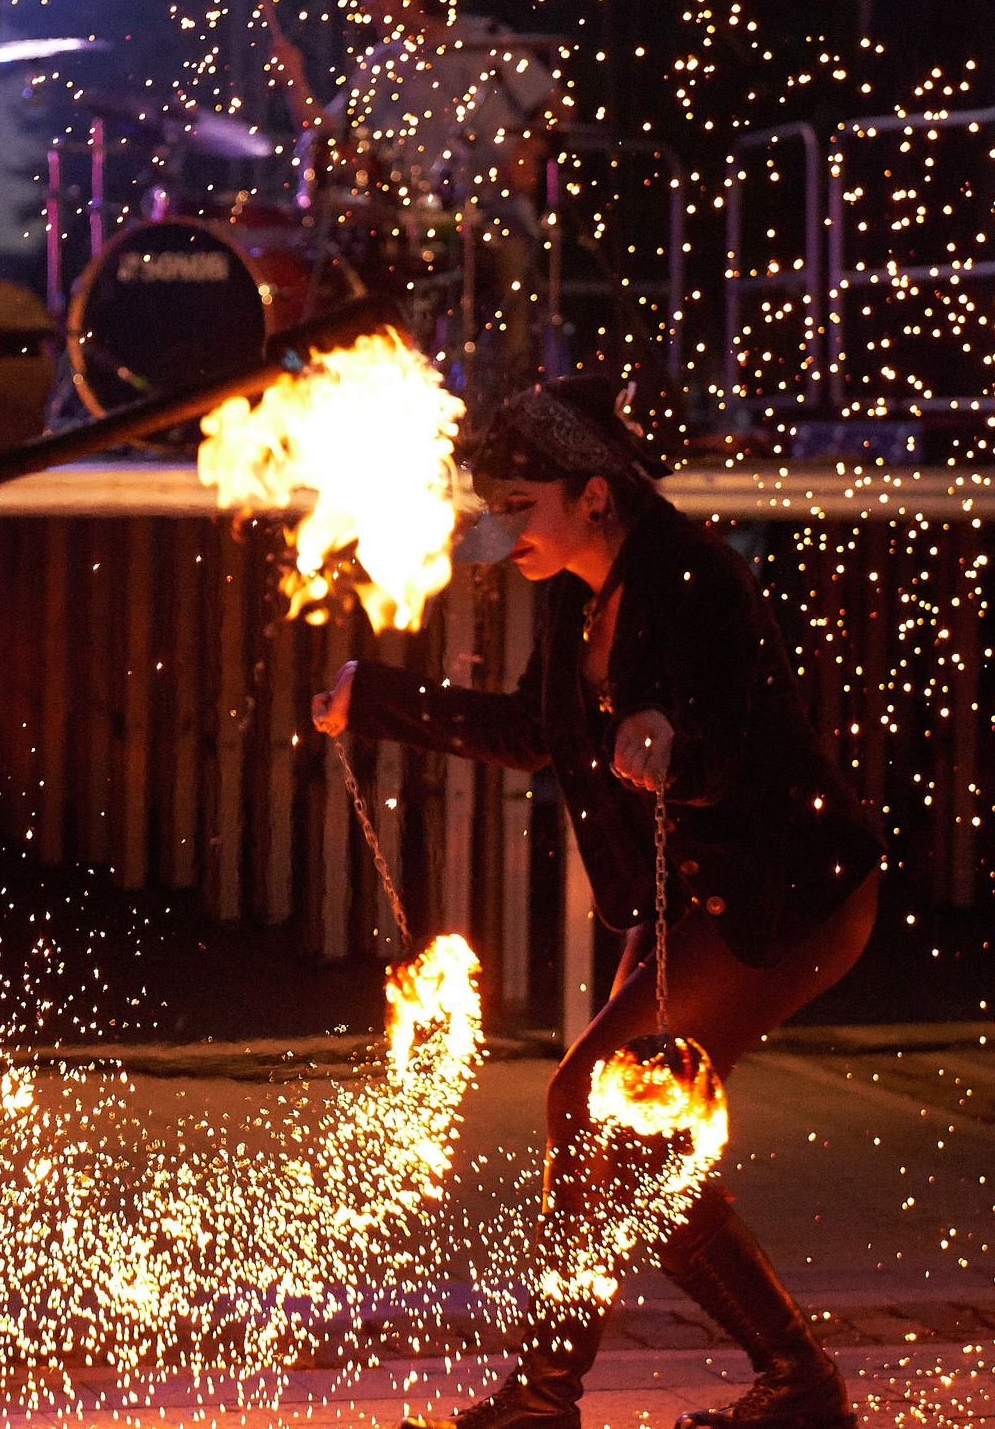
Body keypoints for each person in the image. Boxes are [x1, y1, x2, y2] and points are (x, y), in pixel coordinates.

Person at [313, 373, 882, 1429]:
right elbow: (535, 734)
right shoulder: (574, 594)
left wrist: (674, 748)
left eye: (516, 507)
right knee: (635, 1146)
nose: (498, 531)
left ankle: (545, 1399)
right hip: (688, 902)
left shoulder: (697, 581)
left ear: (592, 494)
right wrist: (376, 696)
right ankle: (796, 1386)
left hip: (784, 892)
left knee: (584, 1105)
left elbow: (734, 741)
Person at [264, 0, 566, 404]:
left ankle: (510, 404)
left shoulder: (488, 43)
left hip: (492, 213)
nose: (368, 6)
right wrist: (295, 80)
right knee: (345, 266)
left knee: (511, 270)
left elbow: (556, 107)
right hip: (411, 221)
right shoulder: (380, 63)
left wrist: (528, 152)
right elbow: (327, 132)